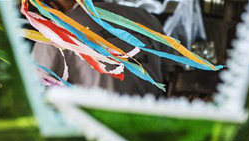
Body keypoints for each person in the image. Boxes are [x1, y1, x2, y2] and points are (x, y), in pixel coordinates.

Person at [32, 0, 170, 96]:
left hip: (95, 125)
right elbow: (174, 77)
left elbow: (36, 91)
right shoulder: (146, 17)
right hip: (155, 123)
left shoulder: (55, 30)